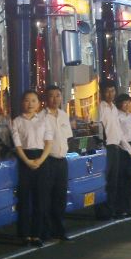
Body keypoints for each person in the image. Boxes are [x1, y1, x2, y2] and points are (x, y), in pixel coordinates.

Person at [10, 91, 54, 248]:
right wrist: (27, 161)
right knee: (24, 199)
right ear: (22, 103)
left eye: (33, 100)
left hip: (41, 159)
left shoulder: (44, 120)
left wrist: (40, 160)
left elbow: (49, 143)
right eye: (27, 100)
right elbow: (17, 145)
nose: (30, 104)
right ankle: (25, 234)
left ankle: (37, 234)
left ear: (38, 103)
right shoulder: (16, 122)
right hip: (24, 160)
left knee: (40, 199)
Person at [42, 86, 73, 242]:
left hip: (62, 161)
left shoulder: (64, 115)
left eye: (58, 95)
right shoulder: (41, 117)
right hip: (48, 161)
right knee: (47, 198)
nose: (55, 99)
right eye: (51, 96)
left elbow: (67, 137)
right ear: (46, 99)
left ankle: (59, 230)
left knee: (60, 197)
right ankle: (46, 232)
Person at [106, 93, 131, 218]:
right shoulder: (117, 117)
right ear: (119, 103)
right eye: (124, 102)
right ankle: (119, 209)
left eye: (128, 102)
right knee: (121, 181)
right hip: (122, 151)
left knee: (130, 181)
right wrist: (130, 151)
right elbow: (120, 136)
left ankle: (128, 208)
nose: (127, 105)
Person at [94, 84, 119, 219]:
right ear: (102, 93)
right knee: (104, 180)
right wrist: (100, 144)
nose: (110, 94)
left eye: (112, 91)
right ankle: (102, 211)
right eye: (107, 91)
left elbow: (117, 129)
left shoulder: (114, 108)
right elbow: (96, 127)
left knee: (113, 181)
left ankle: (111, 208)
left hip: (115, 147)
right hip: (105, 148)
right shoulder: (99, 108)